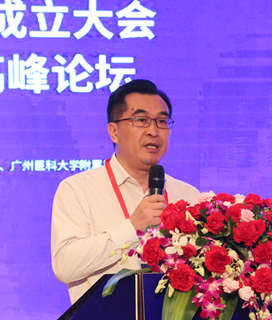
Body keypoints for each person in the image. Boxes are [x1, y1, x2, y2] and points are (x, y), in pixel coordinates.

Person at [51, 79, 200, 303]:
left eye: (161, 121)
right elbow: (65, 265)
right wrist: (132, 227)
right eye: (141, 120)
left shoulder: (187, 195)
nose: (154, 131)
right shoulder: (77, 190)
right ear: (114, 132)